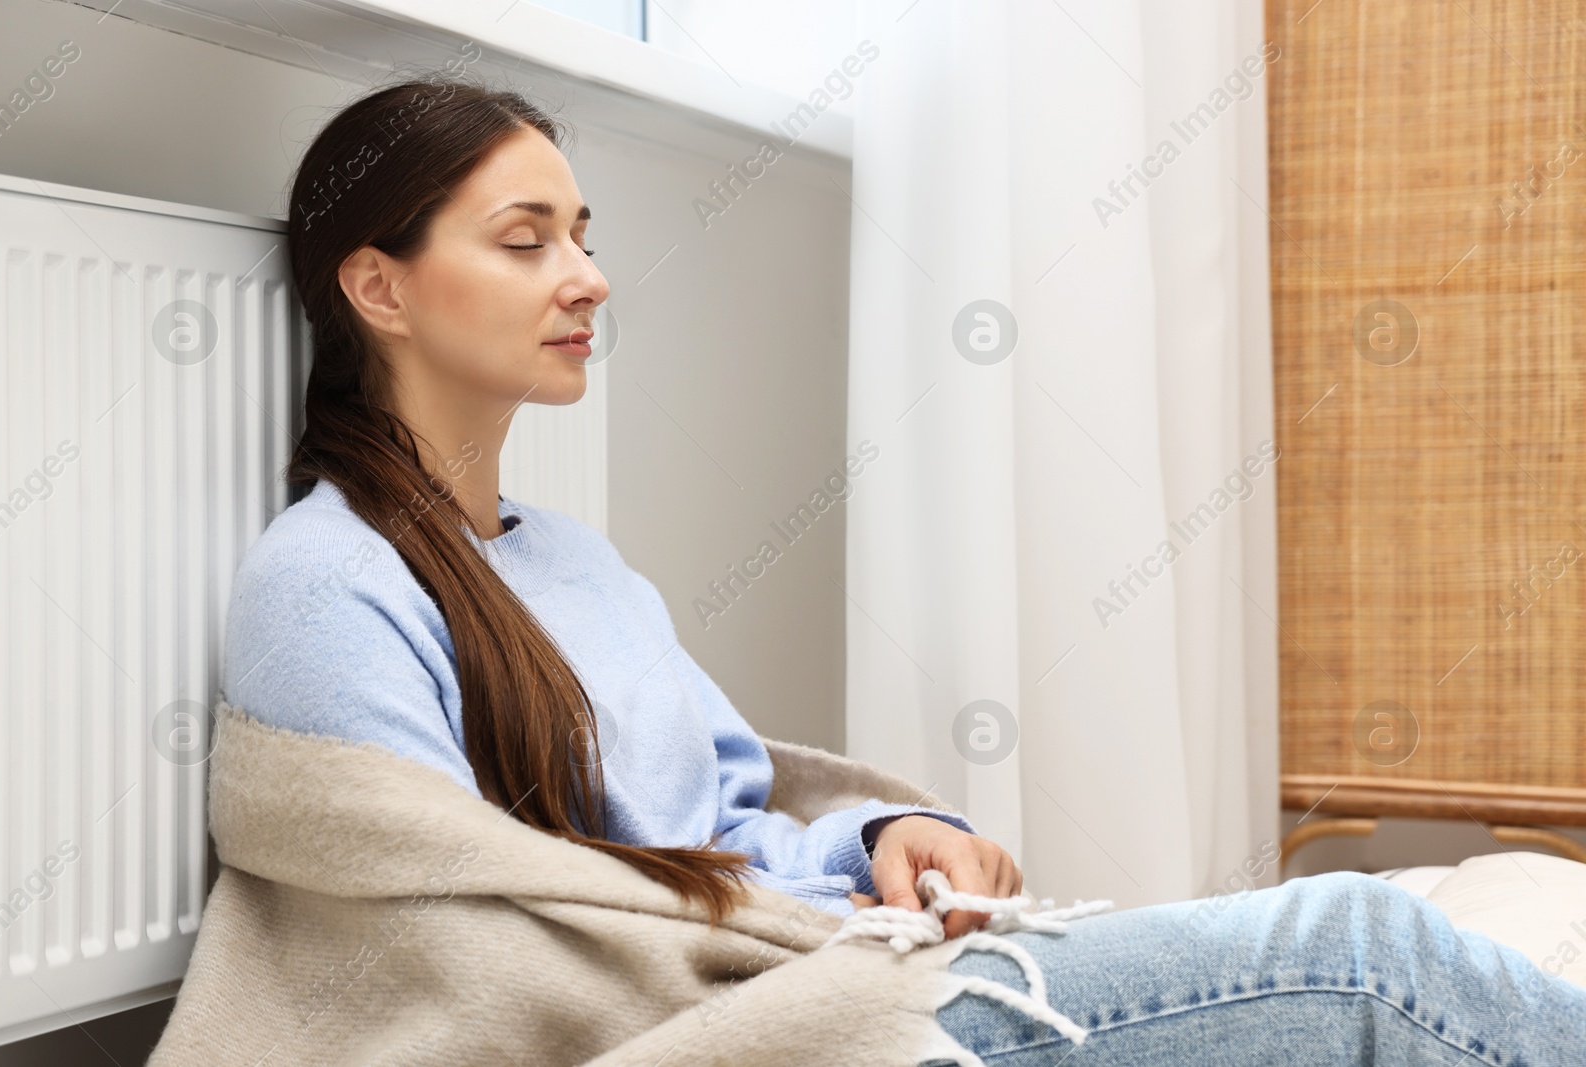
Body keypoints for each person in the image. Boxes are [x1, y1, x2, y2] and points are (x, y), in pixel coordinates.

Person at [223, 76, 1586, 1064]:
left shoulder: (573, 564)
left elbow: (716, 829)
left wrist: (877, 842)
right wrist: (800, 957)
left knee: (1414, 928)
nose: (585, 278)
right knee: (1358, 951)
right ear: (380, 289)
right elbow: (445, 950)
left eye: (584, 235)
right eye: (527, 242)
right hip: (762, 1024)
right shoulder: (328, 590)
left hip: (818, 970)